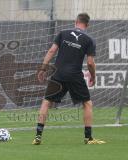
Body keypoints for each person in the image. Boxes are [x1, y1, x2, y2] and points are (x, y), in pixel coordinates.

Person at [32, 13, 105, 145]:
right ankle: (88, 138)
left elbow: (51, 51)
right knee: (87, 103)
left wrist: (43, 69)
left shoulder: (63, 33)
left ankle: (37, 136)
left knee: (46, 102)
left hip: (58, 74)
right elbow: (90, 63)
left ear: (75, 21)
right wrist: (93, 76)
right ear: (87, 25)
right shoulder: (89, 39)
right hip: (74, 76)